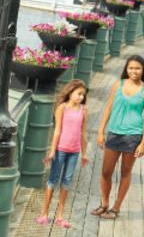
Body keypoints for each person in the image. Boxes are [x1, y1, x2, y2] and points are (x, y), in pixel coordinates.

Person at [92, 55, 144, 220]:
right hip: (114, 133)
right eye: (131, 68)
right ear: (126, 69)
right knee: (106, 171)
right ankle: (104, 203)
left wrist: (143, 143)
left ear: (143, 70)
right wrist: (100, 132)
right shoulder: (118, 85)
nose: (134, 71)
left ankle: (116, 207)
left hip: (133, 136)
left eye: (138, 68)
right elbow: (108, 108)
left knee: (125, 173)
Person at [36, 79, 90, 229]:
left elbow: (83, 133)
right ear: (70, 92)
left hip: (75, 151)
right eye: (79, 94)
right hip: (60, 150)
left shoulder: (84, 110)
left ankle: (60, 215)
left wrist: (84, 153)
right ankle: (44, 213)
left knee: (67, 181)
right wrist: (52, 151)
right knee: (53, 179)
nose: (81, 97)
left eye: (83, 95)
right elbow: (57, 130)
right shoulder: (62, 108)